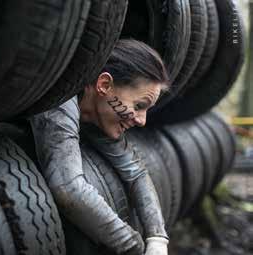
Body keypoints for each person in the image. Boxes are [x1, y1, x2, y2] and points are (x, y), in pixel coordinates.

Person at [30, 39, 170, 255]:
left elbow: (136, 173)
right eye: (139, 106)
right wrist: (134, 248)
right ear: (104, 85)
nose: (142, 120)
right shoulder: (59, 101)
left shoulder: (101, 113)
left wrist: (157, 238)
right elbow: (68, 188)